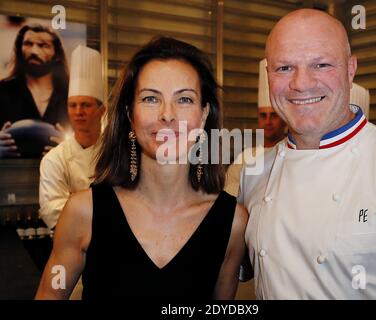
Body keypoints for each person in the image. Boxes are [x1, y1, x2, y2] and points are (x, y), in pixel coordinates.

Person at [35, 36, 248, 300]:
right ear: (129, 115)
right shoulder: (84, 212)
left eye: (184, 100)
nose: (167, 114)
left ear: (204, 114)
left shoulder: (232, 222)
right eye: (150, 98)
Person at [239, 9, 376, 299]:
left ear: (351, 70)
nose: (301, 83)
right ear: (268, 74)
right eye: (284, 68)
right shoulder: (254, 173)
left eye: (321, 64)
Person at [39, 45, 105, 231]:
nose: (78, 112)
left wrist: (74, 200)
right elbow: (52, 212)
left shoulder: (116, 154)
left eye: (86, 105)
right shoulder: (54, 159)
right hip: (71, 245)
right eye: (72, 105)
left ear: (102, 110)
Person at [0, 24, 69, 158]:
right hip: (11, 175)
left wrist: (70, 149)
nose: (34, 51)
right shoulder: (3, 90)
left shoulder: (70, 94)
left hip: (58, 176)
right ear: (19, 50)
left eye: (43, 45)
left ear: (57, 55)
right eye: (28, 44)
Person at [225, 58, 286, 197]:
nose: (268, 121)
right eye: (263, 115)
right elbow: (229, 198)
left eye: (274, 115)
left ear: (284, 119)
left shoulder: (294, 153)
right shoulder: (245, 159)